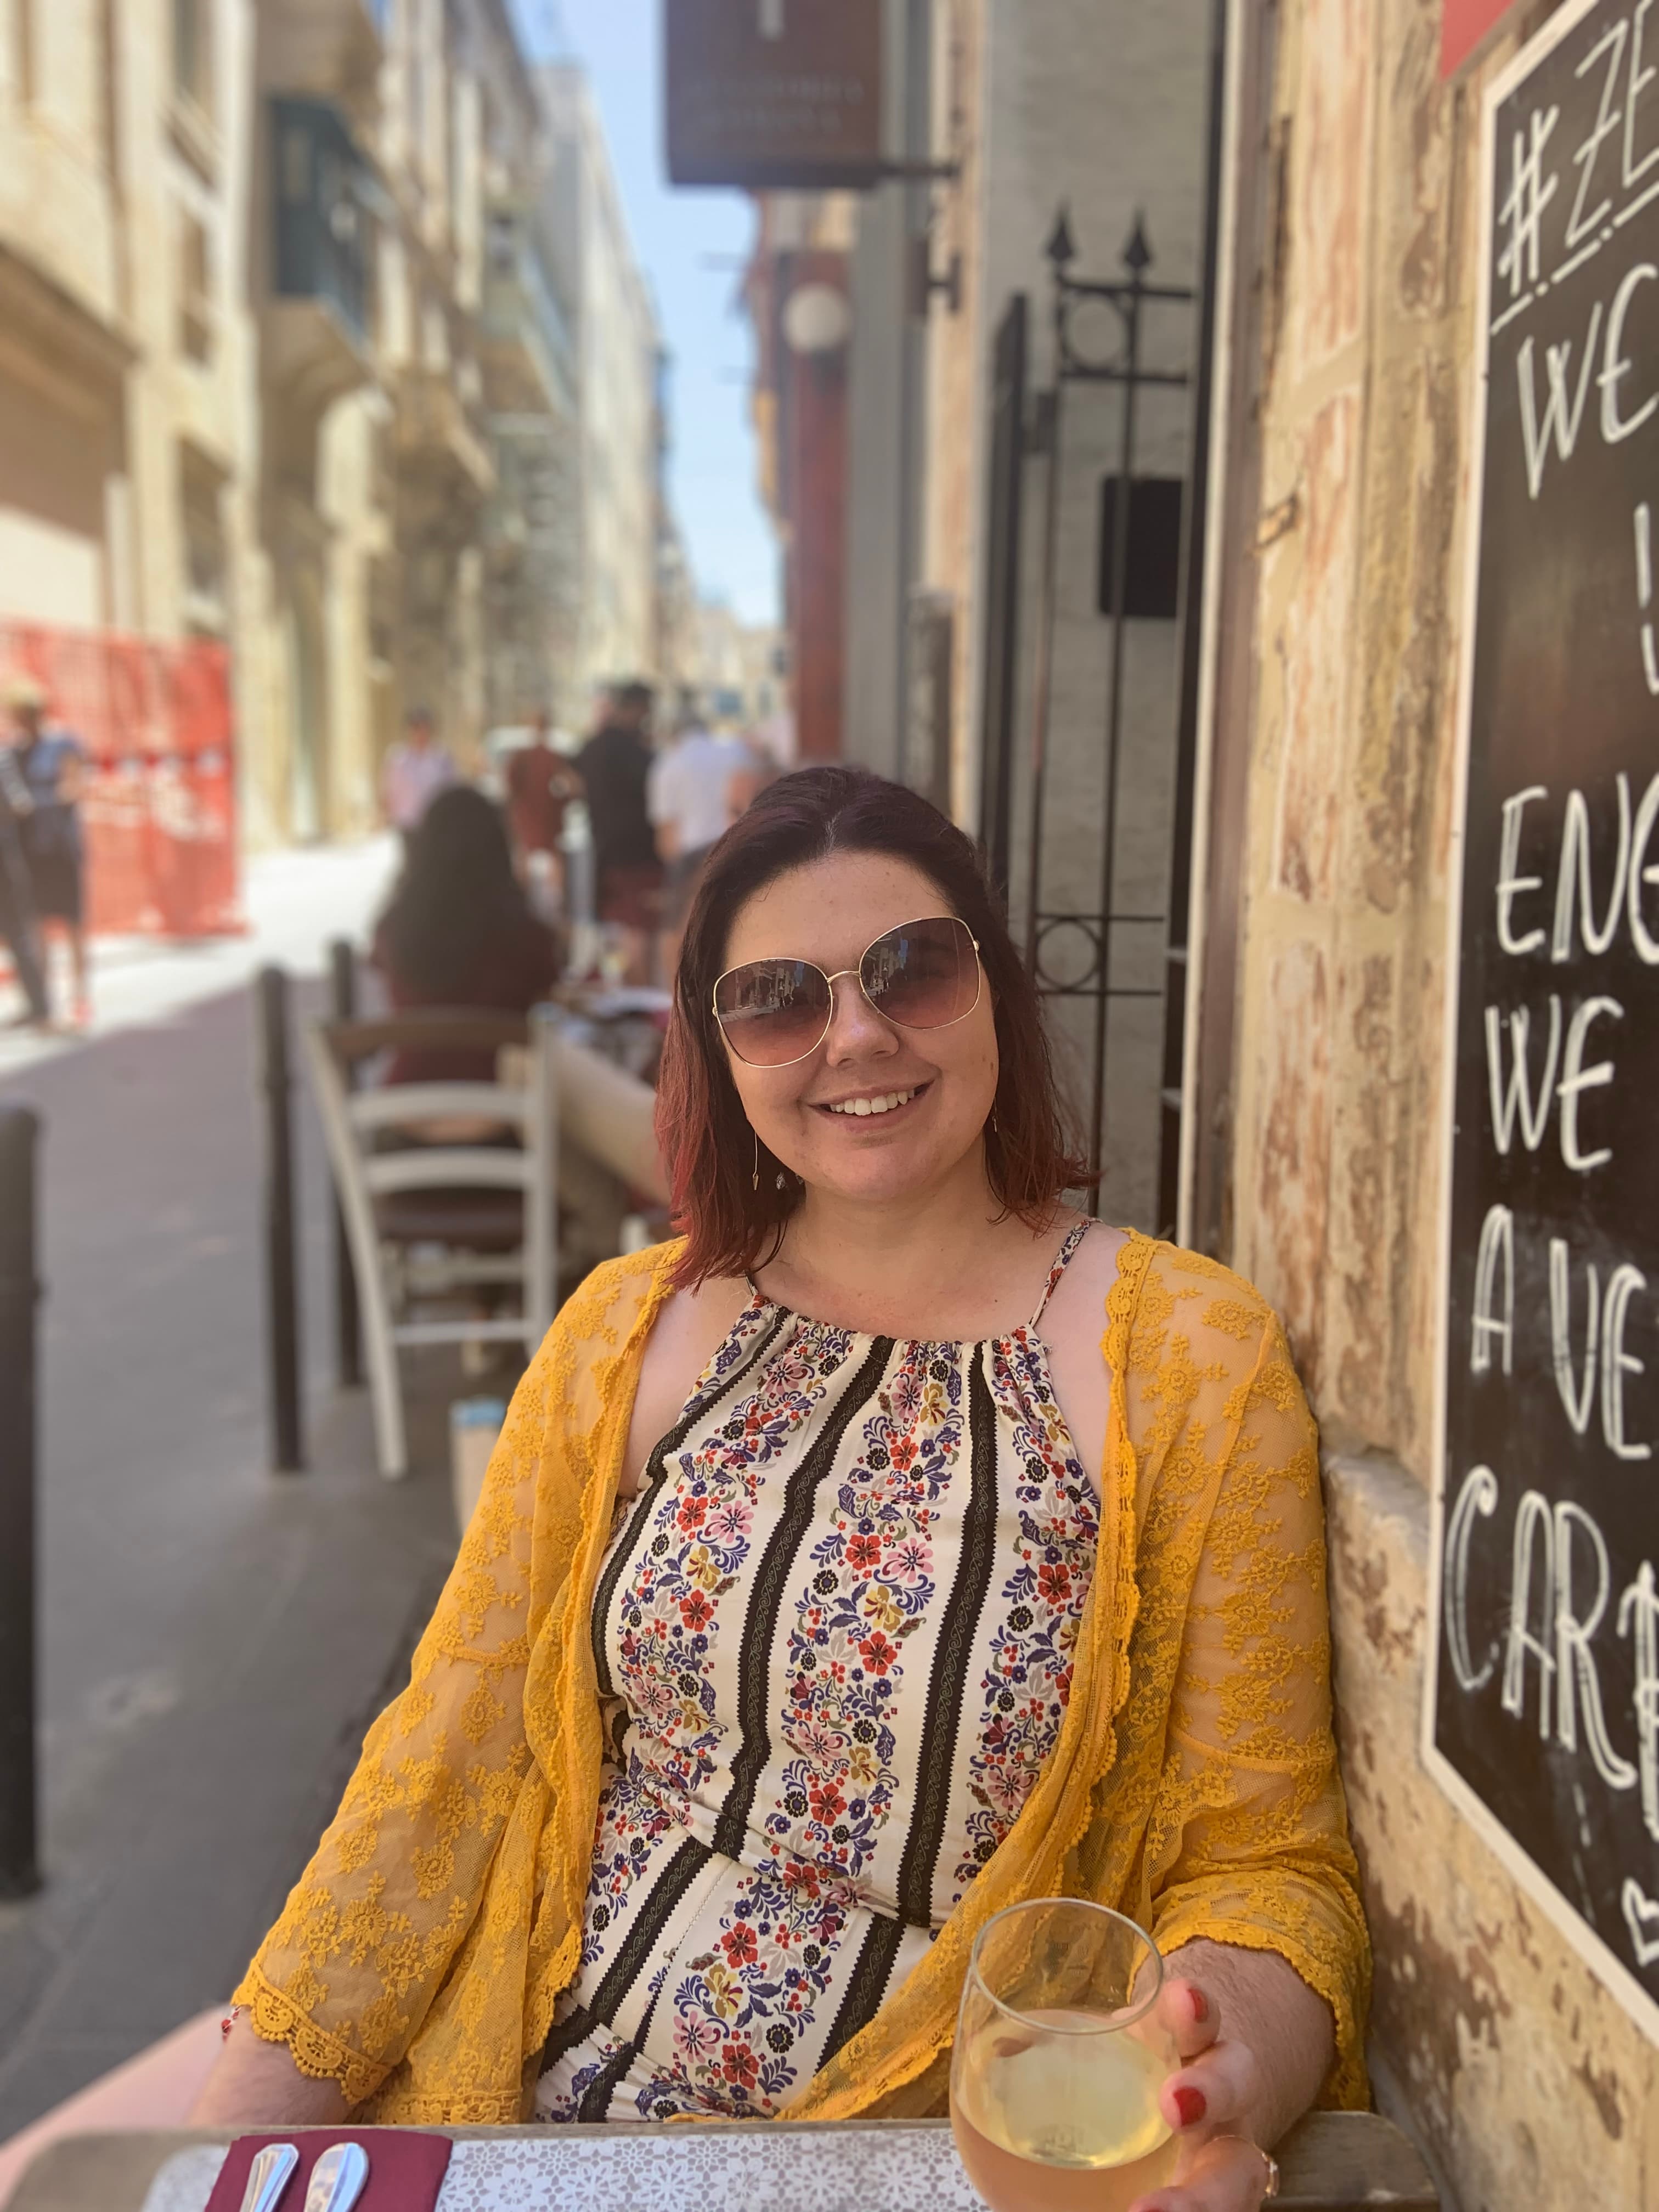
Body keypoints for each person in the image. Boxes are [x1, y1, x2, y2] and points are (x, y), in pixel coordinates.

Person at [195, 767, 1368, 2212]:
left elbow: (1267, 1864)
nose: (856, 1036)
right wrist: (218, 2157)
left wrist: (1221, 2051)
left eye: (912, 969)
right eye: (776, 1001)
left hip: (923, 2156)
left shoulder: (1190, 1359)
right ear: (719, 1048)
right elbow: (448, 1760)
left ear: (994, 989)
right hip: (535, 2123)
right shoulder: (625, 1331)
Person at [371, 785, 561, 1086]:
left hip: (406, 1098)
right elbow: (550, 988)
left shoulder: (394, 929)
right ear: (499, 849)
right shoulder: (524, 935)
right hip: (500, 1099)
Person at [8, 677, 89, 1026]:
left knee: (72, 923)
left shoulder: (62, 743)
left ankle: (80, 998)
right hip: (31, 848)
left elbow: (74, 786)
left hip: (61, 845)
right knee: (37, 924)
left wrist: (37, 804)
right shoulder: (15, 751)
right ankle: (46, 1003)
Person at [646, 703, 749, 977]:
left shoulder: (669, 763)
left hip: (692, 859)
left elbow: (667, 837)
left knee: (680, 940)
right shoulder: (735, 752)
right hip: (739, 850)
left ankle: (678, 1002)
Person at [577, 680, 660, 983]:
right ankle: (638, 995)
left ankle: (625, 994)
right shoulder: (639, 753)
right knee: (638, 930)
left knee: (620, 931)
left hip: (604, 851)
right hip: (638, 854)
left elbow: (571, 782)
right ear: (637, 709)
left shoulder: (593, 747)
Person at [505, 708, 582, 911]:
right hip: (534, 817)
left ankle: (549, 909)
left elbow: (572, 787)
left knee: (547, 867)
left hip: (544, 818)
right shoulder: (526, 757)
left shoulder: (549, 756)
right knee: (530, 865)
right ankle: (527, 907)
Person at [0, 735, 48, 1027]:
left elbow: (19, 803)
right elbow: (20, 804)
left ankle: (39, 1007)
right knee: (18, 932)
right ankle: (39, 1007)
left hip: (6, 863)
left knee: (17, 931)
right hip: (7, 859)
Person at [380, 706, 457, 848]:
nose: (421, 733)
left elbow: (451, 789)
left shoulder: (442, 758)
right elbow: (390, 791)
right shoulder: (398, 759)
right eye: (416, 728)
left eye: (424, 728)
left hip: (436, 823)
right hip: (409, 824)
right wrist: (386, 815)